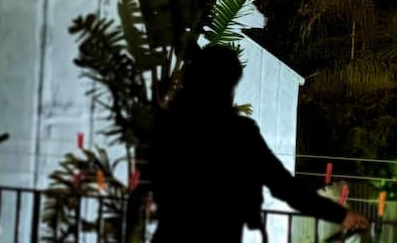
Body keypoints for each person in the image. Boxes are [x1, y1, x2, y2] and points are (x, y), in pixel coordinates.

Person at [151, 45, 368, 242]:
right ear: (226, 87)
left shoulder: (169, 126)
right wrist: (341, 215)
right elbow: (285, 187)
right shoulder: (239, 133)